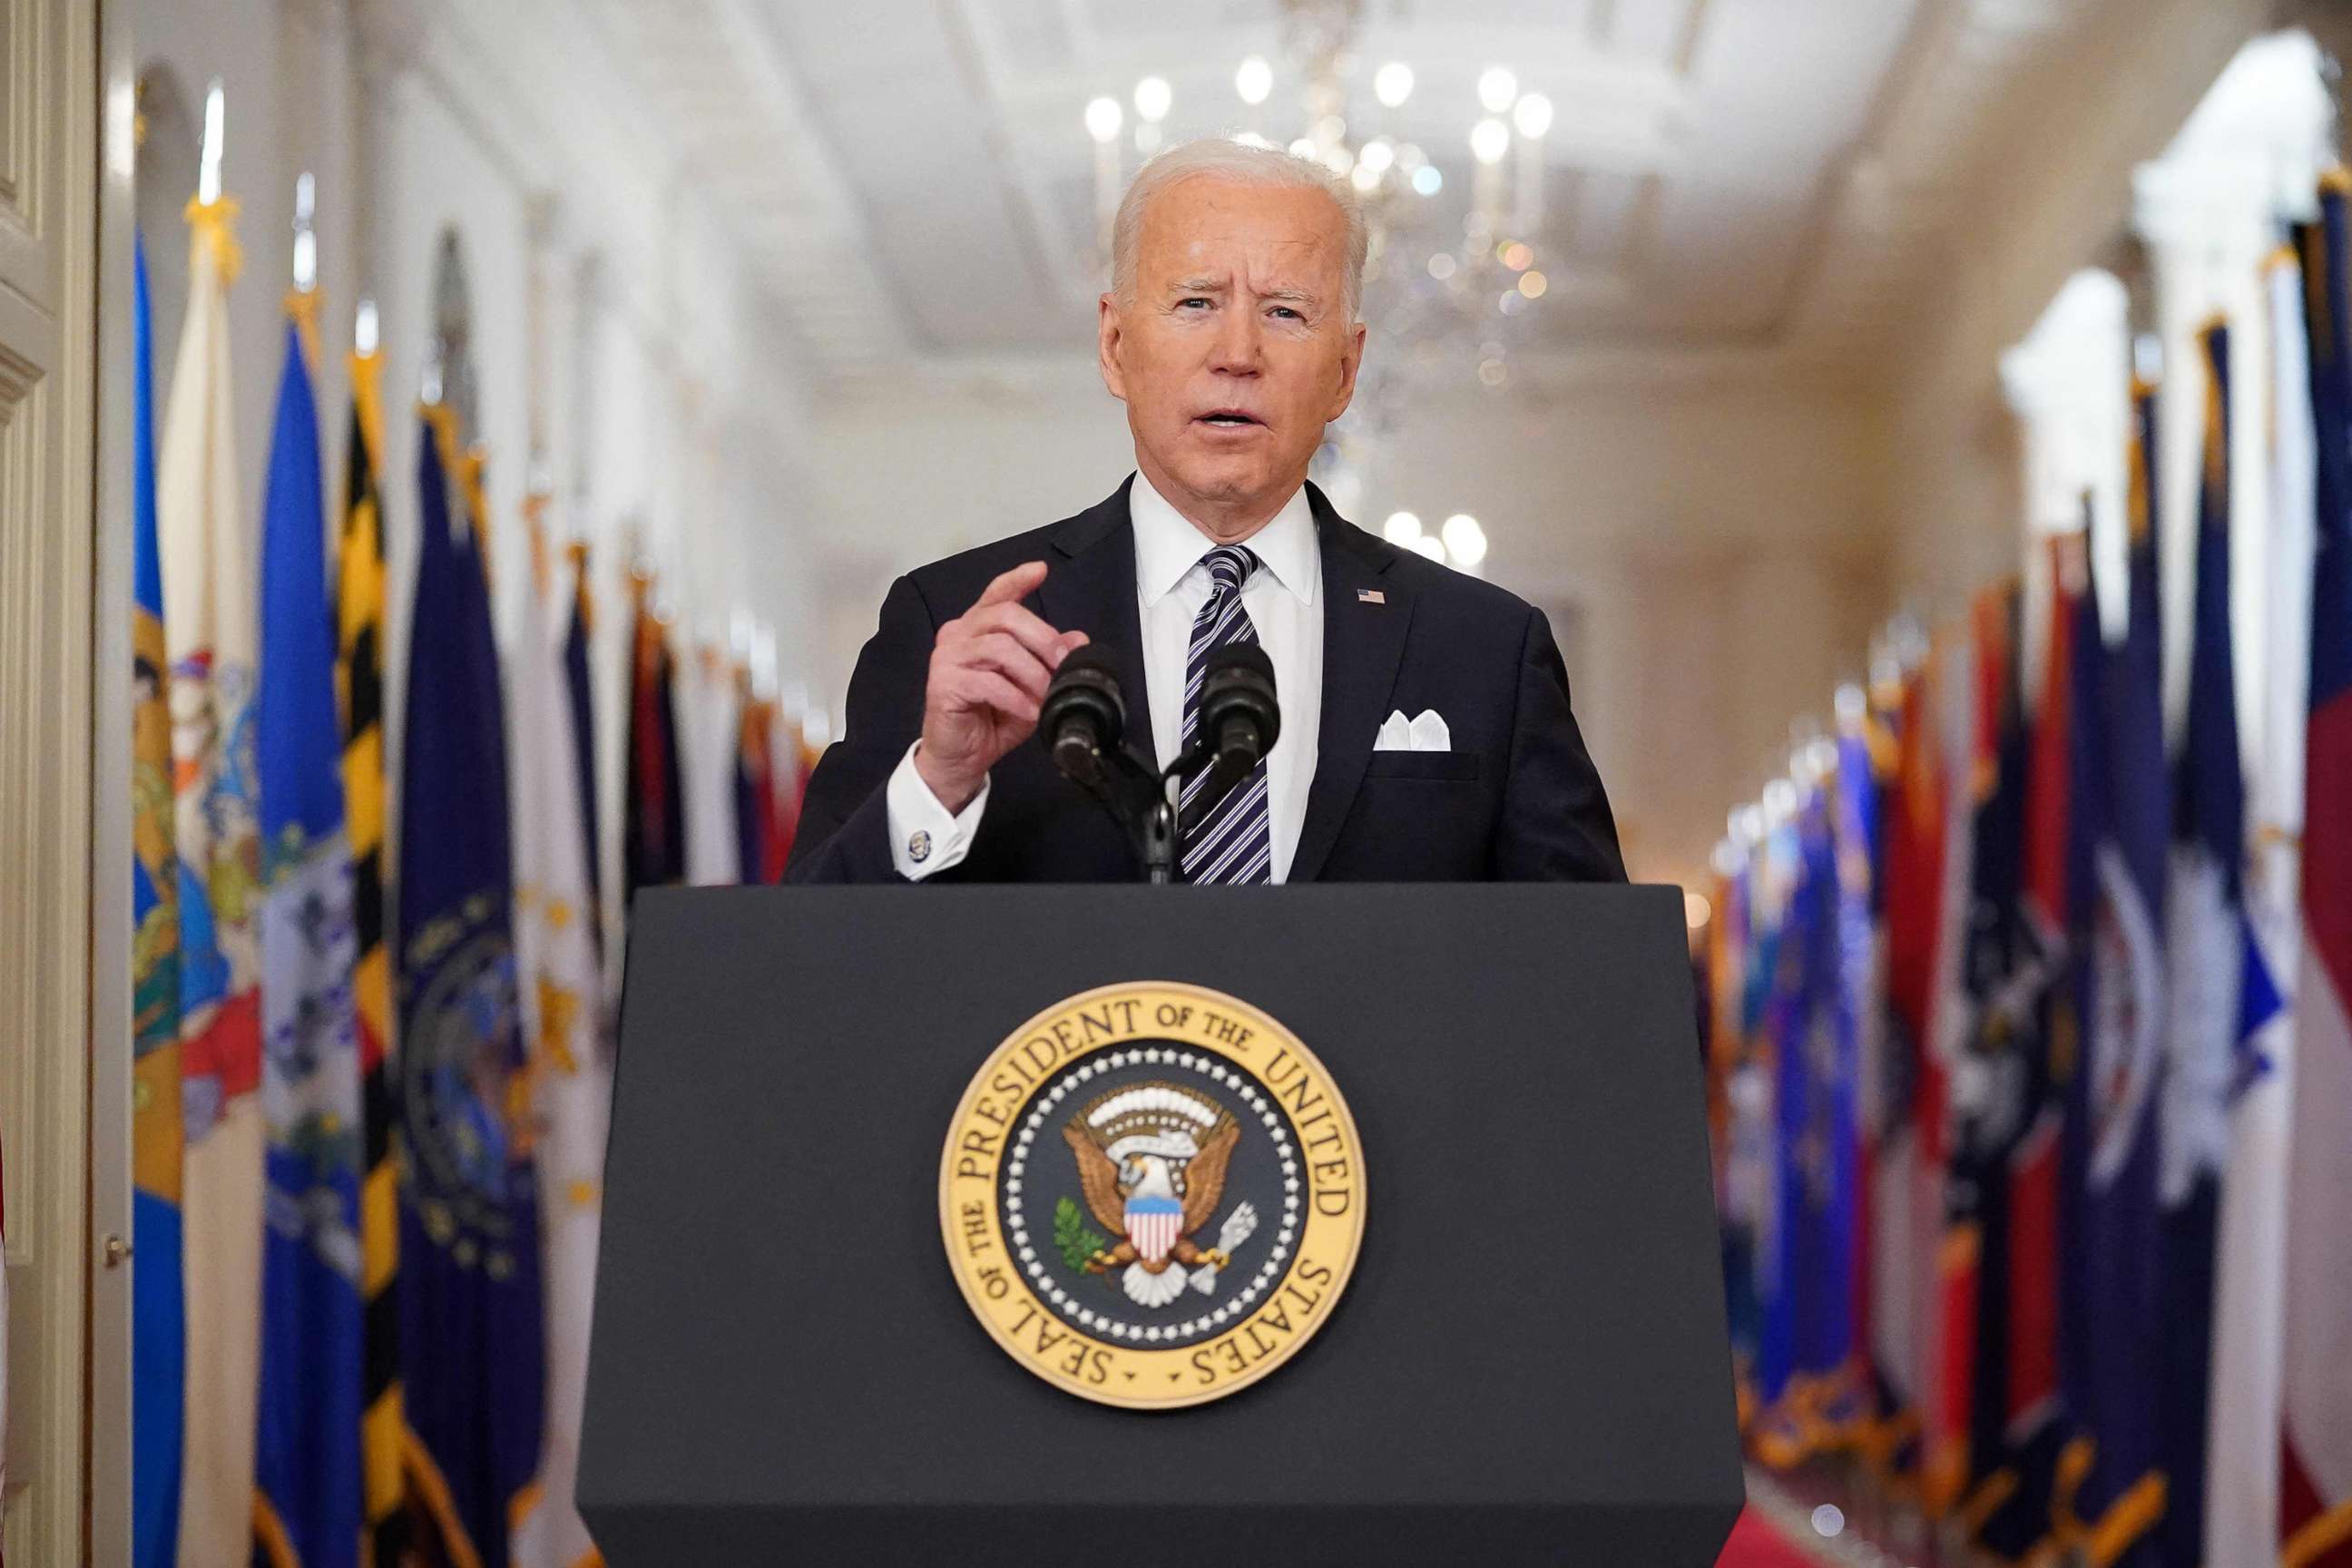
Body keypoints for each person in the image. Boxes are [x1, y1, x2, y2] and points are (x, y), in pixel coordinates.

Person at [787, 137, 1622, 886]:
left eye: (1285, 313)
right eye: (1195, 303)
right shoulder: (961, 626)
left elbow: (1590, 981)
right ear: (1116, 346)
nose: (1237, 355)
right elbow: (802, 972)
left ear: (1344, 369)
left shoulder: (1484, 648)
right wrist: (938, 781)